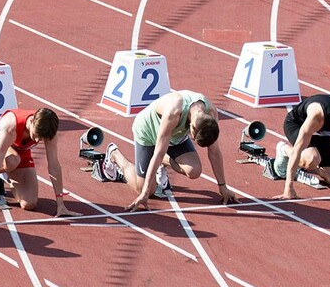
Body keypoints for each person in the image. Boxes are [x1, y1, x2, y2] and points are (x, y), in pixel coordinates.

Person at [99, 90, 232, 211]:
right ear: (192, 127)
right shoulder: (174, 112)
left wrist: (223, 186)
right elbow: (158, 153)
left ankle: (163, 162)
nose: (191, 138)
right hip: (147, 132)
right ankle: (115, 155)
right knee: (146, 189)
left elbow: (214, 153)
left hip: (174, 137)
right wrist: (145, 193)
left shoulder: (211, 114)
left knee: (194, 171)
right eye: (193, 137)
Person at [0, 107, 69, 223]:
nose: (37, 140)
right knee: (12, 160)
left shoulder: (49, 130)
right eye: (36, 135)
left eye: (41, 138)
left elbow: (54, 166)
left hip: (20, 152)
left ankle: (2, 176)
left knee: (29, 203)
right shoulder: (11, 127)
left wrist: (60, 204)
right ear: (31, 121)